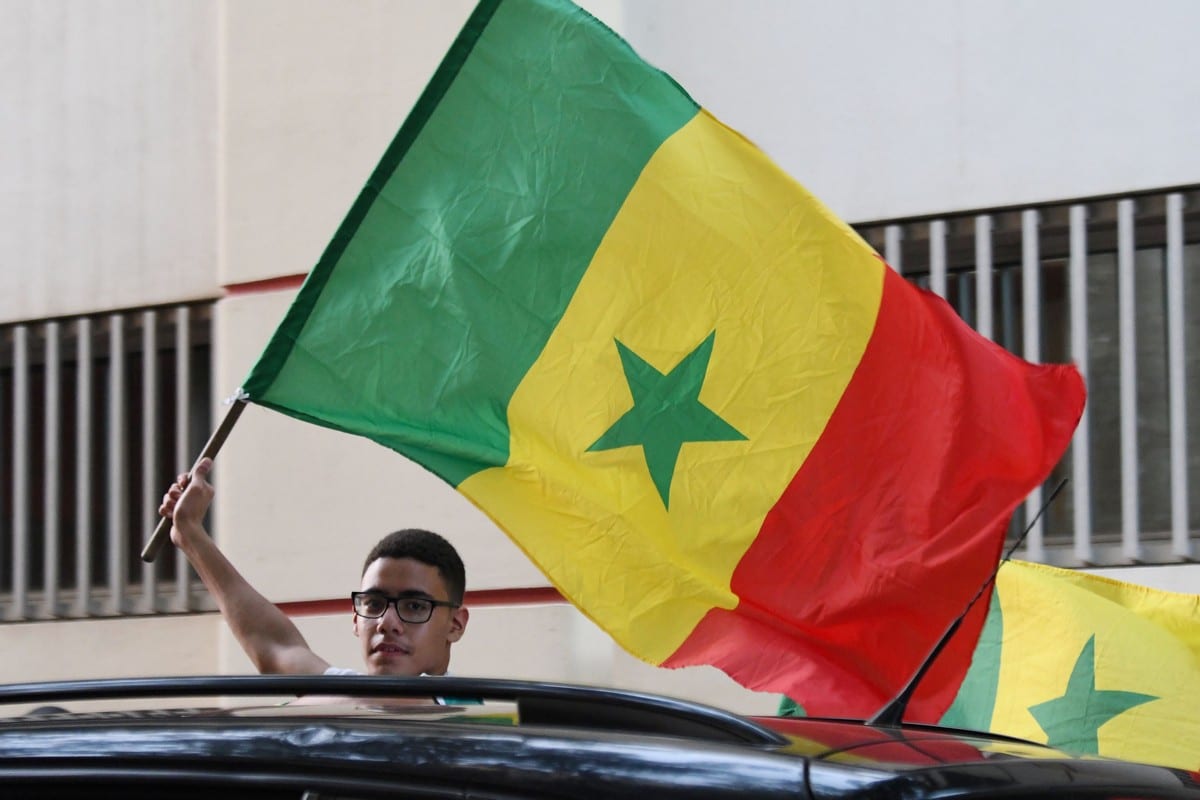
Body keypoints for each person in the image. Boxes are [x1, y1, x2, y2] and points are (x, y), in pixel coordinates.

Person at [159, 457, 470, 677]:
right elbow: (274, 647)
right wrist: (190, 533)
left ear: (455, 625)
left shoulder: (473, 719)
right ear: (355, 619)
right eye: (373, 604)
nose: (387, 623)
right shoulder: (346, 696)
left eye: (414, 606)